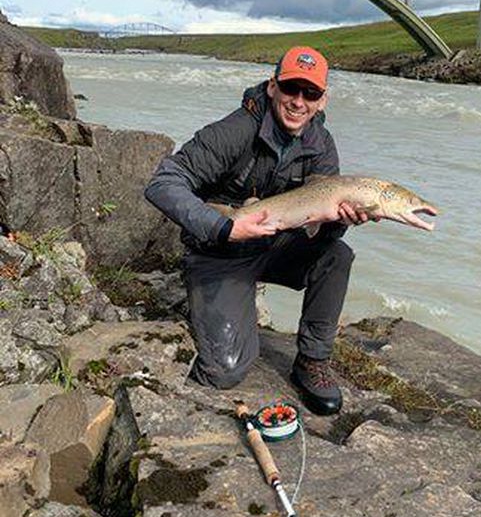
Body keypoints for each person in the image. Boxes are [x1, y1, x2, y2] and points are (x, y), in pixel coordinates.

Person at [144, 45, 368, 415]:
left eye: (310, 93)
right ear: (272, 87)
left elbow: (321, 234)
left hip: (274, 247)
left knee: (336, 255)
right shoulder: (235, 130)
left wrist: (340, 221)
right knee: (225, 372)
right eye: (291, 88)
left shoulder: (322, 146)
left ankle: (312, 360)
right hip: (220, 252)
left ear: (322, 100)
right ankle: (213, 311)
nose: (299, 101)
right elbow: (163, 182)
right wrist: (222, 228)